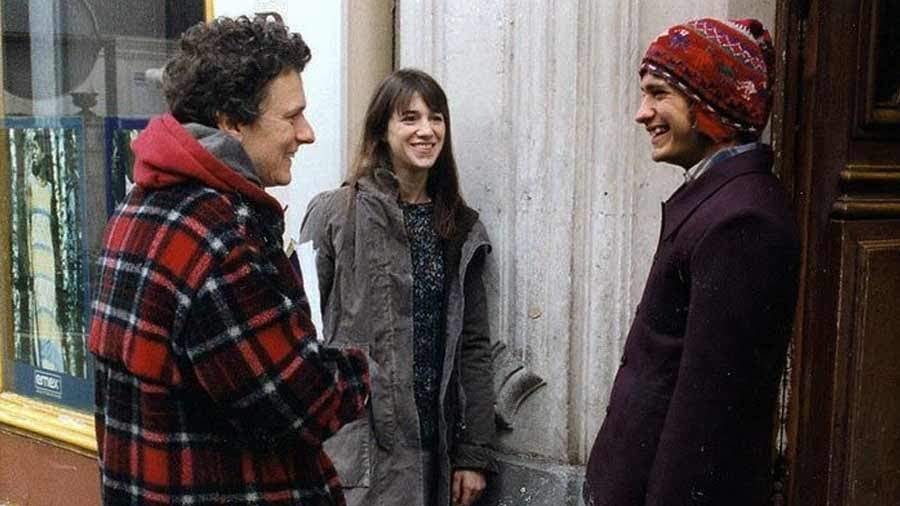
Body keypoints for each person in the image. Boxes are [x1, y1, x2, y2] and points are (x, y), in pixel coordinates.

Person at [88, 15, 369, 506]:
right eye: (291, 116)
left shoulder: (138, 208)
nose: (307, 134)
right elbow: (301, 400)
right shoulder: (217, 236)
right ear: (230, 122)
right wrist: (362, 370)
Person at [583, 18, 801, 506]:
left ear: (710, 102)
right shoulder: (718, 199)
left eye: (659, 93)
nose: (643, 113)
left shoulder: (744, 219)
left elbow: (710, 418)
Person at [300, 68, 496, 506]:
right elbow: (302, 333)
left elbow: (474, 347)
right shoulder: (332, 214)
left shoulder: (462, 227)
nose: (426, 130)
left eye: (436, 118)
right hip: (358, 454)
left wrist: (474, 452)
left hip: (438, 454)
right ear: (381, 131)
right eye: (409, 118)